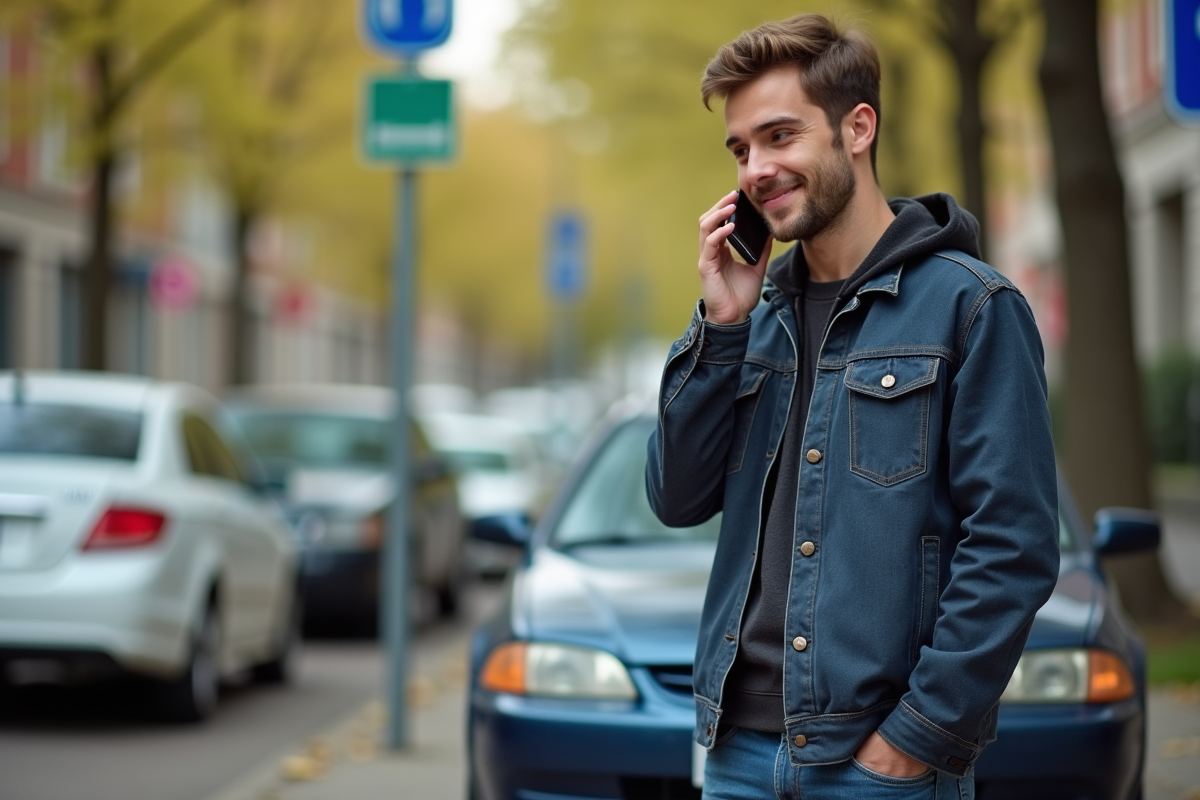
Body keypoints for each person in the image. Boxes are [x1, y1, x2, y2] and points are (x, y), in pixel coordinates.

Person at [644, 13, 1059, 799]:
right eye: (741, 150)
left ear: (857, 127)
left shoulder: (971, 309)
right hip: (737, 755)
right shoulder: (751, 317)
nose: (757, 169)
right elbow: (676, 497)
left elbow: (1013, 544)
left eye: (779, 136)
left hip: (881, 767)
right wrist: (719, 326)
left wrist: (916, 737)